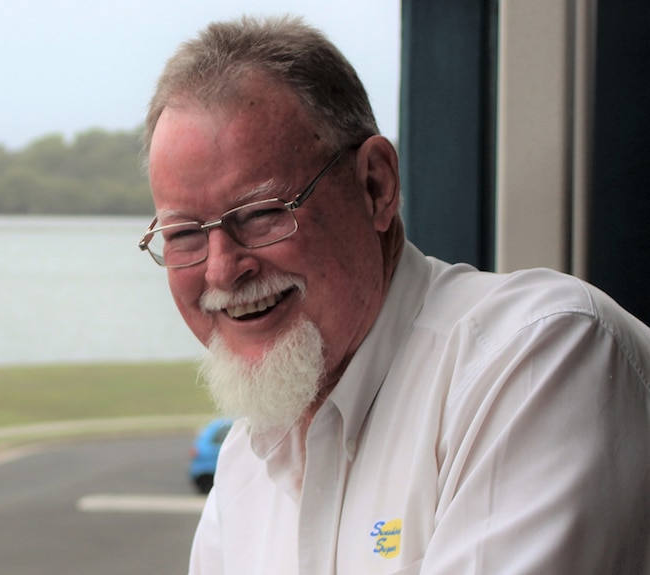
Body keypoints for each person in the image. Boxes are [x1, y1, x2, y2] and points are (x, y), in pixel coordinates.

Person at [137, 15, 650, 575]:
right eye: (184, 233)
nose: (221, 270)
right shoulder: (247, 462)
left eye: (261, 214)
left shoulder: (538, 355)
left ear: (376, 186)